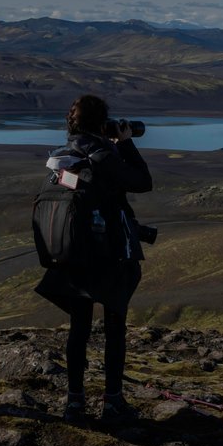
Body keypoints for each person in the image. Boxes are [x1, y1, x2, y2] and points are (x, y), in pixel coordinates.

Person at [36, 93, 153, 425]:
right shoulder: (102, 153)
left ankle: (74, 403)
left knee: (79, 328)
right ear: (102, 123)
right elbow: (143, 182)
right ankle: (112, 402)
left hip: (74, 254)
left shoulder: (61, 156)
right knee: (114, 327)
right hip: (108, 254)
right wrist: (125, 143)